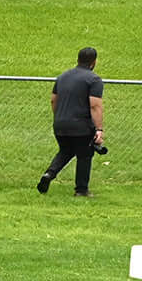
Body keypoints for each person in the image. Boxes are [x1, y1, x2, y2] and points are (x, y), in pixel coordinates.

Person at [40, 46, 105, 196]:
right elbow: (95, 105)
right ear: (94, 62)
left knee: (66, 150)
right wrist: (99, 129)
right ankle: (81, 190)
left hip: (60, 123)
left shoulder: (62, 77)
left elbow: (53, 100)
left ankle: (49, 174)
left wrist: (59, 116)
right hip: (81, 125)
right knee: (85, 154)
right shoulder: (93, 80)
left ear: (78, 59)